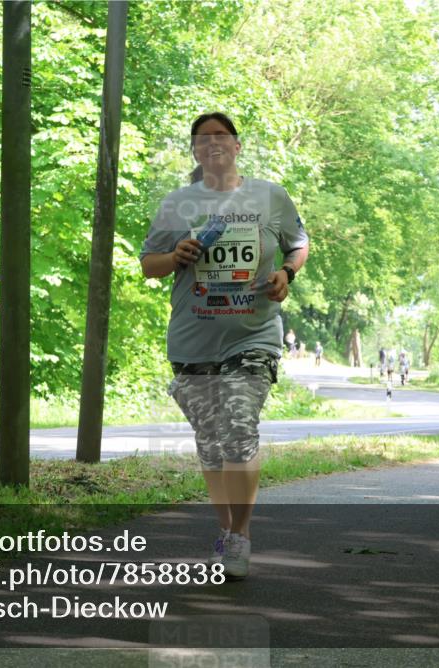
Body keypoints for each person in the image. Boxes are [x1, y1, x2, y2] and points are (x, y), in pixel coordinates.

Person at [140, 112, 310, 579]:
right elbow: (148, 265)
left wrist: (286, 274)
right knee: (212, 446)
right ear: (194, 151)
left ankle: (241, 534)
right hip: (193, 338)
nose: (212, 143)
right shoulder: (178, 204)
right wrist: (175, 256)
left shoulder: (269, 196)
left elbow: (299, 242)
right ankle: (226, 531)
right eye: (202, 138)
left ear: (237, 146)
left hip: (253, 335)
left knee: (239, 426)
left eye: (221, 136)